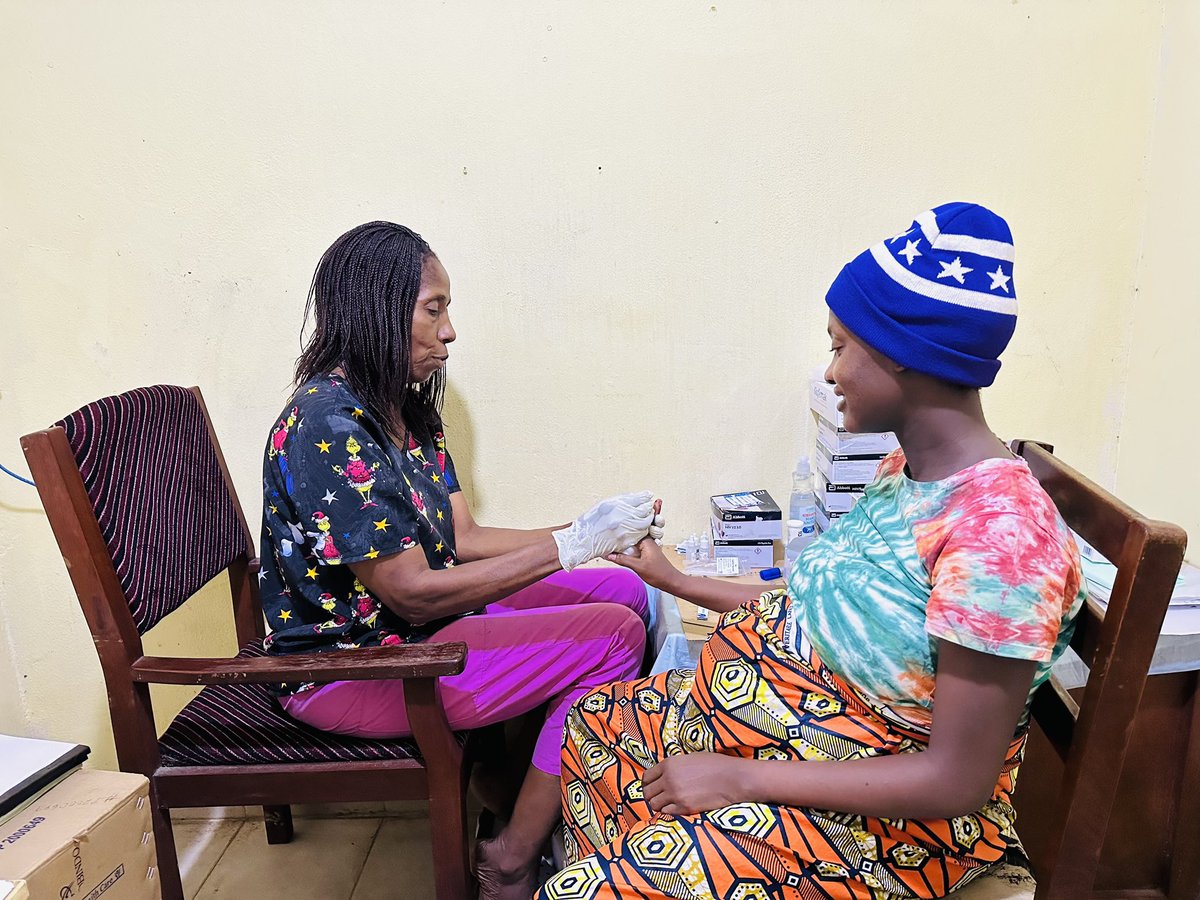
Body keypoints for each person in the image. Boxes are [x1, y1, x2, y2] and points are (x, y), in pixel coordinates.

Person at [538, 202, 1086, 899]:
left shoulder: (1001, 541)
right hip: (783, 737)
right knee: (594, 726)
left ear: (903, 354)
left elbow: (954, 780)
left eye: (839, 348)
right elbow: (815, 606)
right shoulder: (904, 476)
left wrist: (739, 776)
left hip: (882, 834)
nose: (830, 374)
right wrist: (670, 579)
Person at [258, 221, 663, 899]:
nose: (449, 332)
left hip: (421, 634)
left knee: (628, 594)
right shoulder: (328, 425)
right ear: (379, 309)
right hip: (357, 665)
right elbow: (414, 593)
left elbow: (462, 536)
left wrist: (596, 533)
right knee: (613, 639)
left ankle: (510, 783)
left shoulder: (403, 410)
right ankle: (510, 856)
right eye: (434, 309)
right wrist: (570, 547)